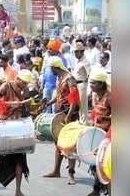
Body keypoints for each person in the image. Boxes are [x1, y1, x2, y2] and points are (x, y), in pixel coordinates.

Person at [0, 69, 34, 196]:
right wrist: (11, 104)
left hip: (18, 126)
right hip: (4, 125)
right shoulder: (6, 85)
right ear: (18, 79)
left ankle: (18, 190)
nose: (25, 86)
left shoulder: (25, 90)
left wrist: (28, 106)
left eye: (27, 84)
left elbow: (25, 107)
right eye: (24, 83)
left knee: (20, 160)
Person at [42, 56, 80, 185]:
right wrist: (49, 103)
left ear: (55, 67)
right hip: (61, 112)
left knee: (70, 144)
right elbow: (59, 96)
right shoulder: (60, 78)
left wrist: (69, 115)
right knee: (58, 142)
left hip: (69, 114)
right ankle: (56, 171)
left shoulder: (70, 79)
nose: (50, 70)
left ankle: (71, 174)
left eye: (51, 68)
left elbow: (74, 99)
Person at [87, 69, 111, 196]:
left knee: (104, 162)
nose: (90, 85)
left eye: (93, 83)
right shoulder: (95, 96)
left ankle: (102, 190)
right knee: (95, 163)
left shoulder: (110, 98)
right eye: (90, 83)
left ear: (101, 84)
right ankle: (97, 189)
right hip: (96, 132)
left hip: (107, 135)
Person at [72, 42, 91, 124]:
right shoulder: (78, 61)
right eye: (75, 52)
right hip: (76, 85)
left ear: (81, 52)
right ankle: (81, 122)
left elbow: (89, 75)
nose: (75, 54)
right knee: (79, 106)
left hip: (82, 85)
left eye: (76, 52)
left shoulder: (85, 61)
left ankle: (84, 123)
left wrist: (89, 90)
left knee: (83, 107)